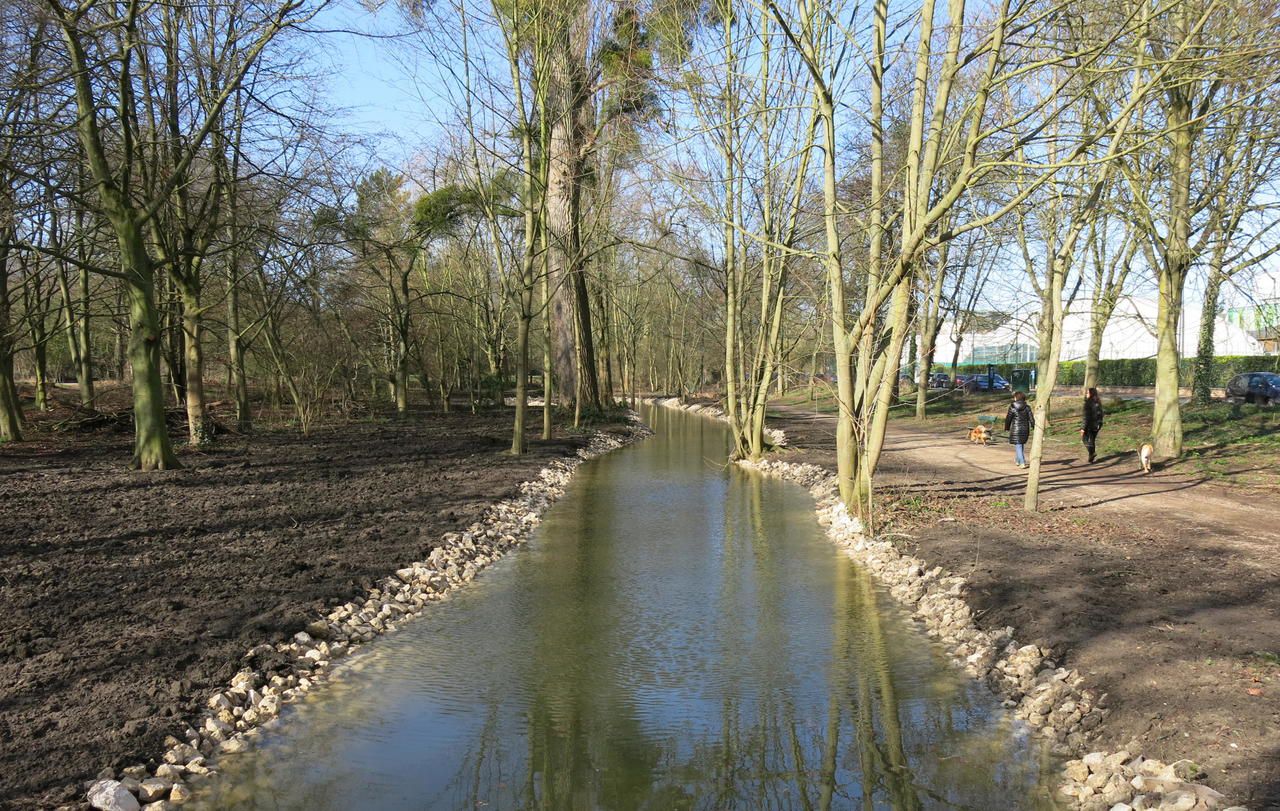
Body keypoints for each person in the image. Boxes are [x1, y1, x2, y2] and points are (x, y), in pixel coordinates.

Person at [1004, 391, 1034, 468]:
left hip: (1016, 429)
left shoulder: (1012, 407)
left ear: (1016, 398)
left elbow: (1008, 418)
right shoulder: (1027, 407)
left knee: (1018, 445)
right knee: (1020, 444)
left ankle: (1022, 462)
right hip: (1025, 429)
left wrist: (1007, 427)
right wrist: (1033, 426)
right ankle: (1017, 460)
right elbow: (1031, 418)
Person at [1080, 387, 1104, 463]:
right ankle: (1091, 457)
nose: (1086, 394)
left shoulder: (1088, 403)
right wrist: (1100, 423)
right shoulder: (1098, 402)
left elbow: (1086, 417)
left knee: (1084, 438)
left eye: (1087, 393)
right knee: (1092, 440)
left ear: (1091, 394)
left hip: (1090, 425)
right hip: (1098, 424)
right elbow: (1101, 414)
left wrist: (1083, 428)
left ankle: (1092, 453)